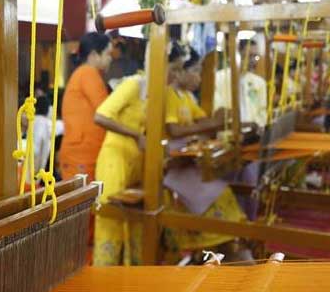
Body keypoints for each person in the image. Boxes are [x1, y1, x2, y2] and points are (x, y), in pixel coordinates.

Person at [93, 42, 186, 266]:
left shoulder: (158, 93)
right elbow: (100, 116)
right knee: (112, 222)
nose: (177, 75)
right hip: (115, 160)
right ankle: (103, 281)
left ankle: (131, 280)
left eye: (180, 70)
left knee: (136, 221)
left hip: (136, 162)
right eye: (174, 69)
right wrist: (135, 135)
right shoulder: (134, 85)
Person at [164, 48, 252, 262]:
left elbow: (204, 122)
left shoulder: (186, 97)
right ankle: (215, 244)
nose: (198, 77)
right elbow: (173, 130)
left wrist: (225, 122)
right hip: (171, 165)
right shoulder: (168, 95)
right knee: (217, 194)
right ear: (180, 73)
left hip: (187, 162)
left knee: (223, 190)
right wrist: (214, 123)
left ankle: (224, 246)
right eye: (194, 71)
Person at [59, 32, 113, 181]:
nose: (110, 59)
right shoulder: (88, 73)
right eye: (108, 54)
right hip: (81, 155)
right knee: (83, 202)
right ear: (94, 55)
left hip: (82, 153)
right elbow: (106, 112)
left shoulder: (84, 73)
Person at [214, 39, 267, 127]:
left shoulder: (259, 82)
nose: (253, 60)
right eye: (248, 56)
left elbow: (263, 111)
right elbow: (218, 110)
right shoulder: (218, 78)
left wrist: (255, 126)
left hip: (254, 132)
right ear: (237, 56)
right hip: (228, 130)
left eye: (255, 56)